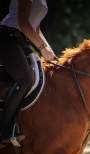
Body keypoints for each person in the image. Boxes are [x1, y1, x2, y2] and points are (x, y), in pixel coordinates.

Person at [0, 0, 56, 143]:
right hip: (7, 36)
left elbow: (35, 28)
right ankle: (4, 128)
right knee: (26, 79)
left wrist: (49, 50)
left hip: (20, 40)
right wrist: (43, 49)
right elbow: (23, 23)